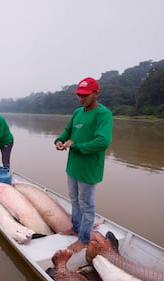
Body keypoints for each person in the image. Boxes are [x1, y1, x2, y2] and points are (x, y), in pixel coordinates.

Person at [54, 77, 113, 252]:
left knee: (87, 205)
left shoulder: (103, 114)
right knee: (74, 200)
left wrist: (77, 146)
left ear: (96, 93)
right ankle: (76, 227)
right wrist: (59, 140)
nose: (81, 98)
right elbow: (67, 132)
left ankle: (84, 239)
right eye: (79, 95)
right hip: (73, 166)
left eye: (85, 95)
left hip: (88, 169)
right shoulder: (77, 112)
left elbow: (103, 141)